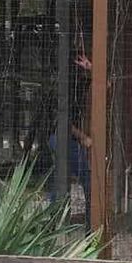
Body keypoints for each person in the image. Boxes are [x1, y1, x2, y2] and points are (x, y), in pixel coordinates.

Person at [48, 53, 91, 215]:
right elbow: (63, 121)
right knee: (87, 177)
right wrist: (83, 137)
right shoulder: (69, 87)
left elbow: (106, 84)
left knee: (61, 176)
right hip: (63, 138)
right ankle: (91, 219)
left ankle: (52, 219)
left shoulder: (73, 83)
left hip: (56, 138)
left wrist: (91, 68)